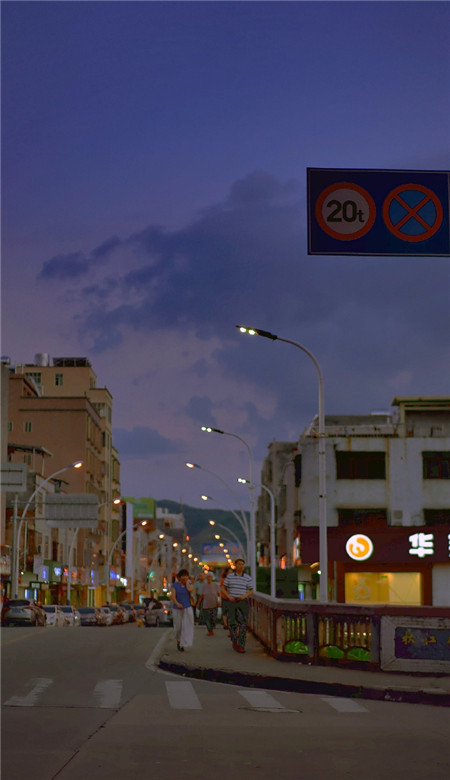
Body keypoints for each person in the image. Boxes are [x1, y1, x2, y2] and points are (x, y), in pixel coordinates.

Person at [222, 558, 253, 653]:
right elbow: (223, 588)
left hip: (243, 601)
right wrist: (228, 596)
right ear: (235, 566)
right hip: (232, 601)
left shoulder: (247, 578)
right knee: (232, 623)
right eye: (239, 564)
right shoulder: (230, 577)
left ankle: (241, 645)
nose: (241, 566)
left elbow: (251, 590)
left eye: (242, 564)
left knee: (243, 623)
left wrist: (244, 596)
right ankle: (234, 640)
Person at [170, 569, 195, 652]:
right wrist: (178, 604)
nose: (184, 577)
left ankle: (183, 643)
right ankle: (178, 640)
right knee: (178, 627)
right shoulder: (175, 585)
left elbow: (190, 590)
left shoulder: (189, 584)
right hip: (177, 608)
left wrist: (187, 582)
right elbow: (173, 597)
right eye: (183, 576)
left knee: (186, 626)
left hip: (187, 607)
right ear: (179, 577)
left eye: (186, 576)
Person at [198, 571, 221, 635]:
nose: (209, 578)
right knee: (207, 618)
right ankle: (210, 630)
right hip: (206, 605)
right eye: (208, 577)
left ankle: (212, 628)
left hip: (214, 604)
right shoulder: (204, 586)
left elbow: (219, 594)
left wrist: (219, 601)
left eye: (210, 577)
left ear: (212, 578)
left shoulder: (215, 585)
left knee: (213, 618)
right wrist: (198, 604)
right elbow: (201, 596)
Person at [220, 565, 232, 635]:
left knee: (230, 612)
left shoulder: (233, 580)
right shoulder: (223, 580)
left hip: (231, 598)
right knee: (225, 611)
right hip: (225, 597)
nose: (230, 574)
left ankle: (229, 624)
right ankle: (225, 624)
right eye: (229, 572)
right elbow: (222, 588)